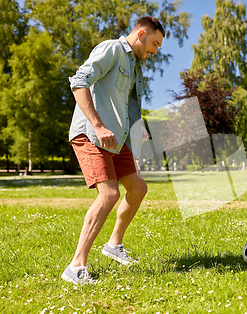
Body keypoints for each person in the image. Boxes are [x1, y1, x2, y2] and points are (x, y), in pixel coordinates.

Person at [61, 17, 165, 284]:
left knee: (138, 188)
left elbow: (127, 104)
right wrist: (98, 124)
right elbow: (79, 82)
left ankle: (114, 245)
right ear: (141, 34)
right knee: (108, 194)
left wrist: (137, 129)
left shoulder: (136, 64)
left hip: (117, 139)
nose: (155, 51)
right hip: (92, 134)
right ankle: (76, 267)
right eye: (154, 43)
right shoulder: (111, 50)